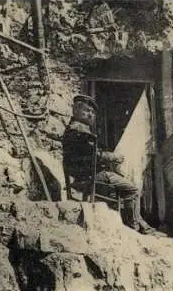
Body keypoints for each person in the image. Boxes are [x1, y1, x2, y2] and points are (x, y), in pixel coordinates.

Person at [62, 94, 165, 237]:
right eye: (86, 110)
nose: (90, 114)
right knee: (132, 190)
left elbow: (90, 153)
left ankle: (141, 226)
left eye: (92, 112)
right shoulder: (79, 131)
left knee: (120, 185)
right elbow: (92, 155)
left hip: (85, 175)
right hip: (92, 175)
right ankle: (134, 229)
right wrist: (112, 157)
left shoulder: (75, 129)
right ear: (75, 111)